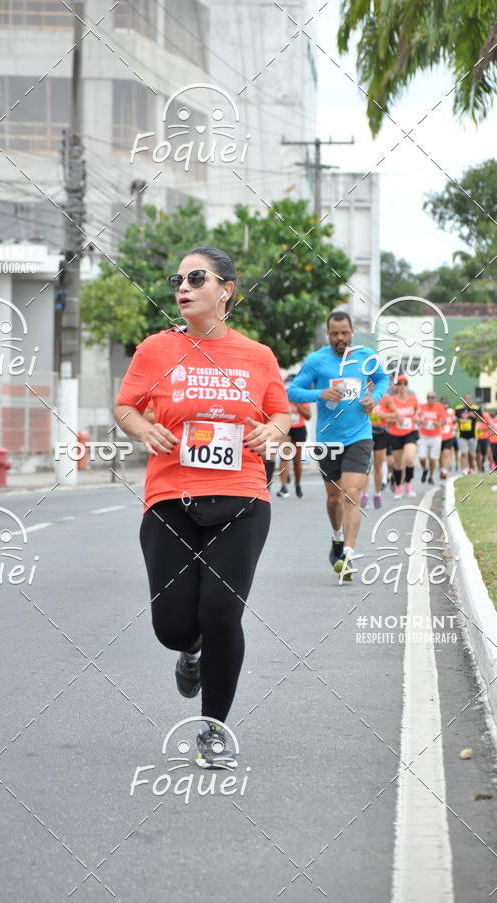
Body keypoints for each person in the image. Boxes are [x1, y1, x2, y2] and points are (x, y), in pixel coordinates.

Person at [114, 246, 290, 768]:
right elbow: (126, 405)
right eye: (178, 281)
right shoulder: (156, 349)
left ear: (226, 290)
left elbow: (281, 413)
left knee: (221, 613)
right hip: (171, 497)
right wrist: (143, 429)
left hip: (242, 496)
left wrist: (273, 431)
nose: (183, 288)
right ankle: (189, 653)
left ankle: (214, 729)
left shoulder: (257, 356)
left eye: (196, 278)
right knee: (172, 627)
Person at [288, 310, 388, 581]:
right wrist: (319, 393)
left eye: (344, 333)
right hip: (328, 438)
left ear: (352, 332)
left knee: (352, 493)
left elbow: (382, 379)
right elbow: (292, 391)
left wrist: (374, 398)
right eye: (335, 334)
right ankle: (337, 537)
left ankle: (348, 554)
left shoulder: (365, 356)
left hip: (359, 435)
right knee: (334, 498)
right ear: (328, 334)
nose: (340, 338)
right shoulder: (316, 361)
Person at [386, 375, 420, 499]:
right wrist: (396, 418)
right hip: (395, 433)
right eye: (399, 383)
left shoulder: (413, 398)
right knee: (398, 464)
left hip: (410, 432)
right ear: (396, 386)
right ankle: (398, 487)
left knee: (410, 459)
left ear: (407, 385)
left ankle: (408, 483)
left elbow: (417, 411)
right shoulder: (391, 400)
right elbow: (386, 418)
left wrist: (416, 416)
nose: (402, 386)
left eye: (405, 383)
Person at [277, 400, 311, 498]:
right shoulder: (283, 396)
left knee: (297, 460)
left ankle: (297, 484)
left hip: (299, 429)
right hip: (286, 428)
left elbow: (308, 416)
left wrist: (297, 405)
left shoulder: (301, 397)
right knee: (284, 456)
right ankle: (283, 487)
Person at [417, 391, 446, 485]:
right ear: (426, 398)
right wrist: (420, 421)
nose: (430, 399)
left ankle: (430, 477)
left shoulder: (439, 407)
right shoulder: (422, 406)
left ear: (435, 398)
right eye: (429, 397)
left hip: (435, 436)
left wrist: (437, 423)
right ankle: (425, 469)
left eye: (432, 397)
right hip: (423, 436)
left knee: (433, 458)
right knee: (422, 457)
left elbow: (444, 421)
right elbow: (417, 418)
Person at [455, 393, 482, 473]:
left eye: (469, 399)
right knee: (463, 453)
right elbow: (454, 419)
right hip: (461, 435)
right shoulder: (458, 408)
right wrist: (459, 419)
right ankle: (463, 470)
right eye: (465, 399)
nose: (467, 400)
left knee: (471, 454)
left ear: (471, 400)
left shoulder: (476, 408)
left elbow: (482, 420)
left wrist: (473, 416)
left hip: (473, 435)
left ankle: (471, 468)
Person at [439, 399, 457, 480]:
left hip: (449, 437)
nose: (444, 406)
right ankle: (442, 469)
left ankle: (444, 471)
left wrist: (454, 427)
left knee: (446, 453)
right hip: (439, 437)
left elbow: (456, 422)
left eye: (446, 404)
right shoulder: (438, 413)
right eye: (443, 404)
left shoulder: (451, 412)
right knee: (440, 456)